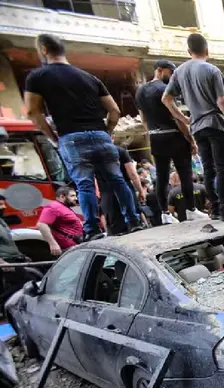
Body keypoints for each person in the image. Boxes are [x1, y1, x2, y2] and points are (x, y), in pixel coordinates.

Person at [24, 34, 140, 240]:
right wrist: (107, 133)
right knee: (117, 180)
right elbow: (114, 111)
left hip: (72, 137)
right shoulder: (89, 77)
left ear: (43, 50)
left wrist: (53, 138)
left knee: (84, 185)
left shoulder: (38, 77)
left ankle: (93, 230)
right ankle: (134, 221)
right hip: (100, 135)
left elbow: (33, 112)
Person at [163, 33, 224, 222]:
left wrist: (184, 118)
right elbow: (222, 101)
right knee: (222, 168)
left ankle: (214, 208)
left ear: (189, 51)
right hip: (215, 123)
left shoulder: (179, 72)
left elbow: (166, 99)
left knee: (208, 169)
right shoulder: (212, 70)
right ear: (207, 50)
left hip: (197, 127)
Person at [136, 60, 207, 225]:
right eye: (170, 72)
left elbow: (143, 119)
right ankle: (191, 210)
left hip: (155, 137)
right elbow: (176, 117)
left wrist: (153, 133)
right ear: (159, 70)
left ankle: (164, 213)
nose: (173, 75)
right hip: (174, 136)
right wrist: (190, 139)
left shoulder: (140, 91)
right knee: (185, 173)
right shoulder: (164, 89)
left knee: (161, 176)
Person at [100, 146, 148, 235]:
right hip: (125, 189)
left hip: (106, 194)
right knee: (135, 227)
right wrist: (141, 191)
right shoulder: (120, 151)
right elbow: (133, 174)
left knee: (115, 228)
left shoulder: (91, 153)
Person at [37, 186, 84, 257]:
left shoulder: (64, 207)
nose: (76, 198)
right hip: (67, 250)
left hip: (75, 247)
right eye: (72, 196)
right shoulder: (53, 207)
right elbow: (41, 224)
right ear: (62, 197)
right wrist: (53, 244)